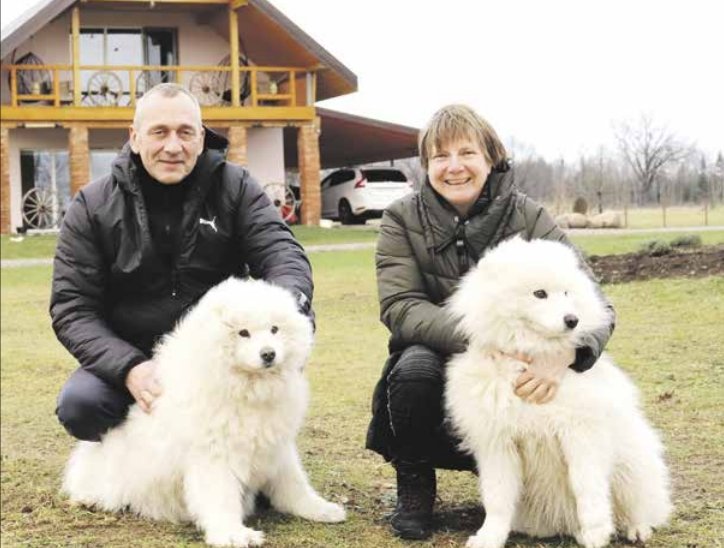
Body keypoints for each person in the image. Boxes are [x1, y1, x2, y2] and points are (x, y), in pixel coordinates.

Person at [366, 104, 615, 540]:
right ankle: (415, 484)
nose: (454, 166)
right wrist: (486, 340)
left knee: (568, 397)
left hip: (528, 357)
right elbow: (401, 306)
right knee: (413, 370)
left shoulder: (529, 216)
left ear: (490, 157)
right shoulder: (402, 218)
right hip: (444, 349)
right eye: (440, 156)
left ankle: (545, 494)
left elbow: (593, 303)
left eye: (467, 153)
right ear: (426, 165)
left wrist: (569, 354)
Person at [52, 83, 313, 442]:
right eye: (159, 132)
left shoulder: (236, 187)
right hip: (135, 354)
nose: (173, 146)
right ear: (135, 137)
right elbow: (73, 308)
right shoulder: (92, 205)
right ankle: (144, 457)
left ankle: (245, 451)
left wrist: (285, 311)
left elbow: (282, 253)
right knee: (82, 405)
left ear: (201, 137)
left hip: (217, 354)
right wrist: (129, 367)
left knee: (290, 329)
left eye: (185, 132)